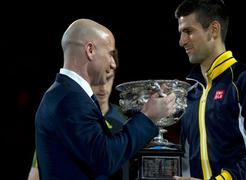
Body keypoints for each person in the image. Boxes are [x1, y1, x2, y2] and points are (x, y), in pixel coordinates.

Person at [35, 18, 176, 179]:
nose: (113, 64)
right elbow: (105, 158)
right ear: (90, 50)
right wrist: (147, 116)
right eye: (110, 54)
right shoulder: (70, 100)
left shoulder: (63, 94)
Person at [173, 0, 246, 180]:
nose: (182, 41)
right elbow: (186, 162)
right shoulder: (190, 92)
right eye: (181, 33)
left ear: (214, 29)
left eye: (188, 32)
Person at [28, 47, 126, 180]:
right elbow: (35, 176)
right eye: (98, 79)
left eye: (108, 78)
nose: (103, 87)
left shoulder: (126, 119)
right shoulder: (62, 120)